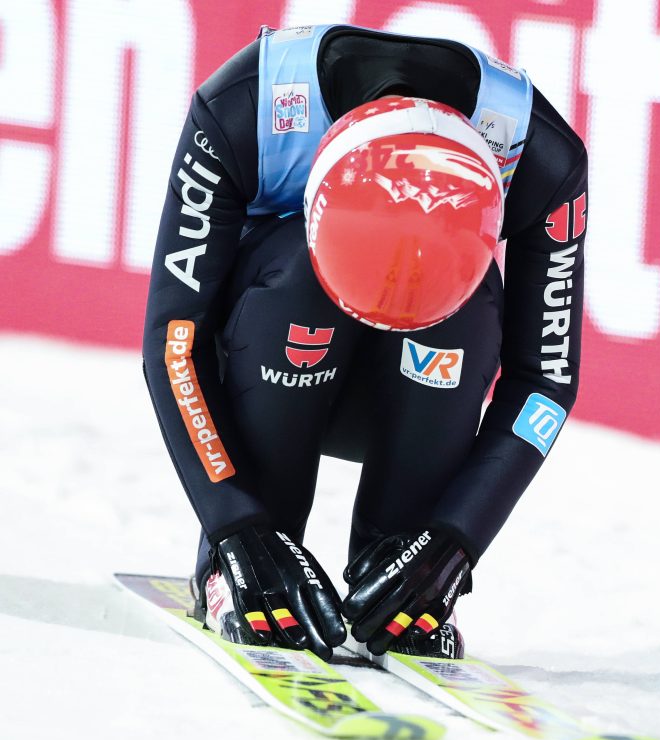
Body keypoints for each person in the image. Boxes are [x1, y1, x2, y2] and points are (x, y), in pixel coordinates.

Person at [141, 23, 587, 661]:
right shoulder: (246, 107)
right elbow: (175, 342)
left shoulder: (543, 160)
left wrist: (452, 542)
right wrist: (235, 523)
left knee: (470, 310)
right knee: (294, 280)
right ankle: (240, 566)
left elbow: (545, 378)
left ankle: (401, 570)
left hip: (425, 380)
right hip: (274, 352)